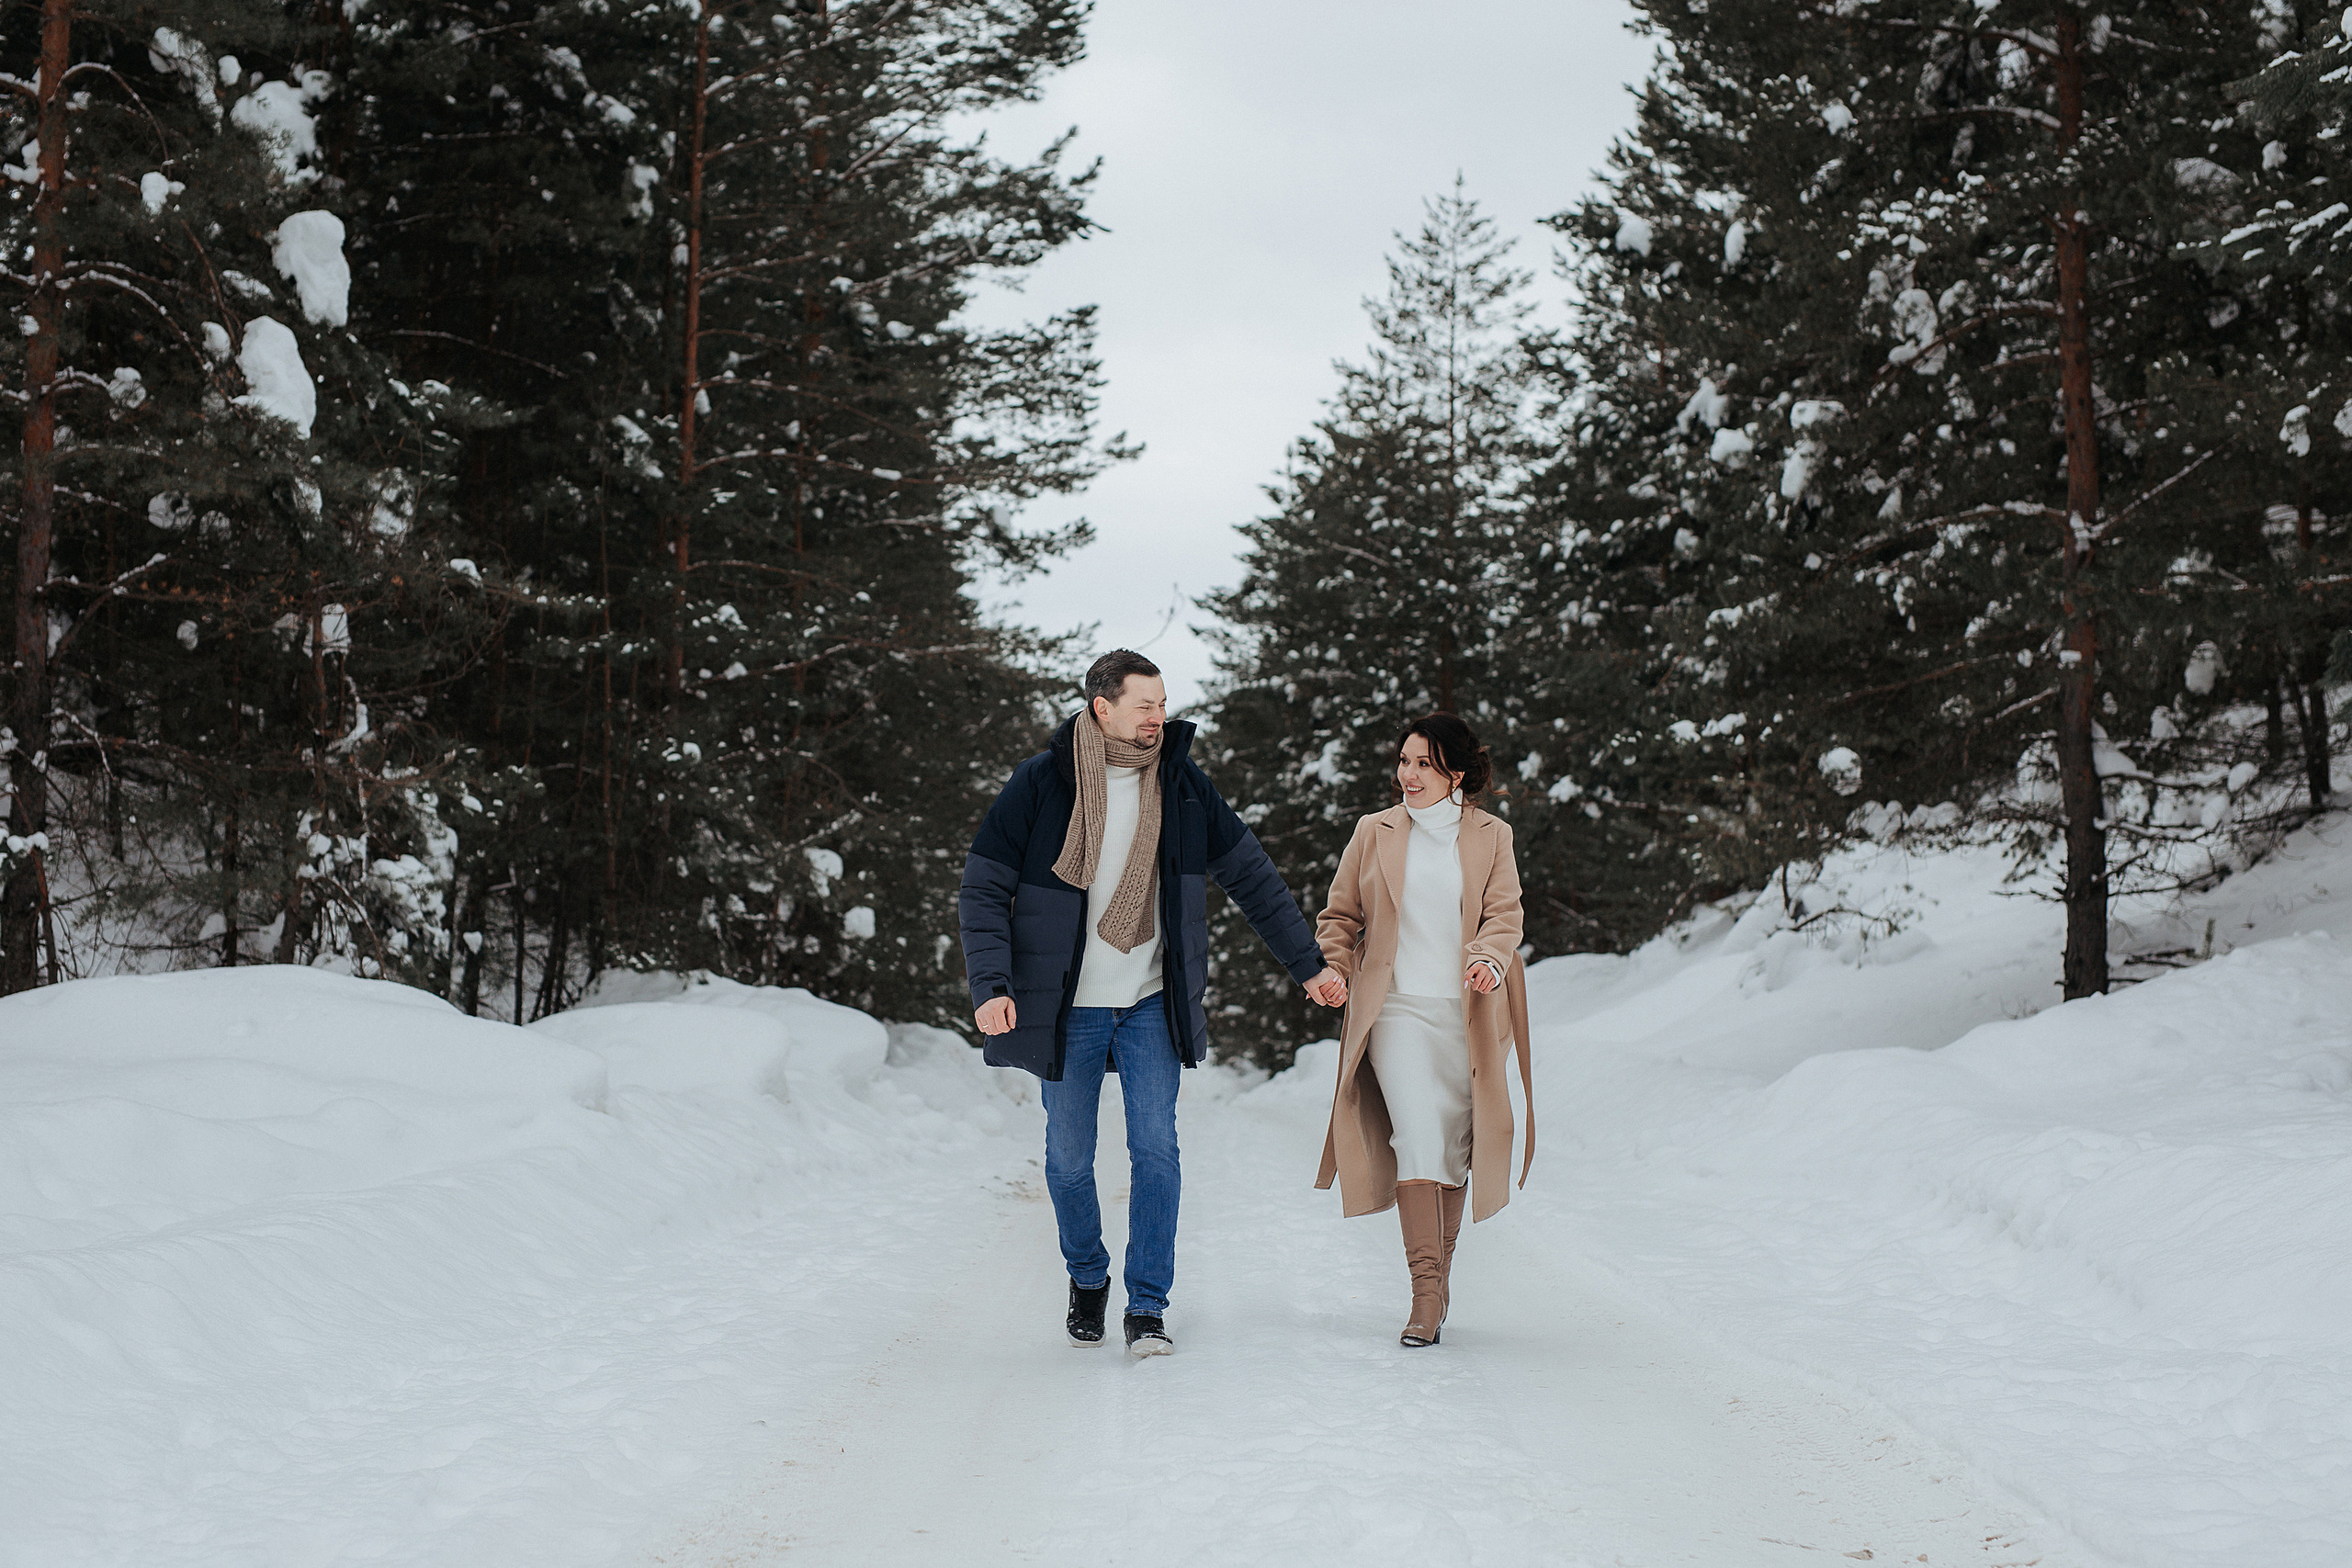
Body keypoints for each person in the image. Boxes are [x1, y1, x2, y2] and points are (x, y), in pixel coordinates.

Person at [958, 649, 1345, 1356]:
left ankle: (1146, 1305)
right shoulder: (1043, 783)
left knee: (1156, 1149)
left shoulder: (1182, 783)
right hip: (1066, 1006)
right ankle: (1087, 1275)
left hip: (1147, 1001)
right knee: (1069, 1161)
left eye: (1164, 704)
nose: (1158, 718)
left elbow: (1252, 877)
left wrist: (1308, 965)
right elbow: (983, 886)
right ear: (1102, 706)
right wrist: (992, 985)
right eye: (1146, 705)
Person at [1311, 711, 1533, 1347]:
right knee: (1415, 1135)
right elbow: (1340, 914)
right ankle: (1425, 1294)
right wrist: (1334, 966)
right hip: (1398, 1010)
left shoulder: (1492, 836)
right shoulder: (1373, 832)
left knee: (1454, 1150)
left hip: (1468, 1014)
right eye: (1404, 761)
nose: (1407, 775)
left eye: (1423, 764)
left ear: (1455, 774)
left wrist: (1490, 958)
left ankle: (1439, 1279)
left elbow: (1504, 912)